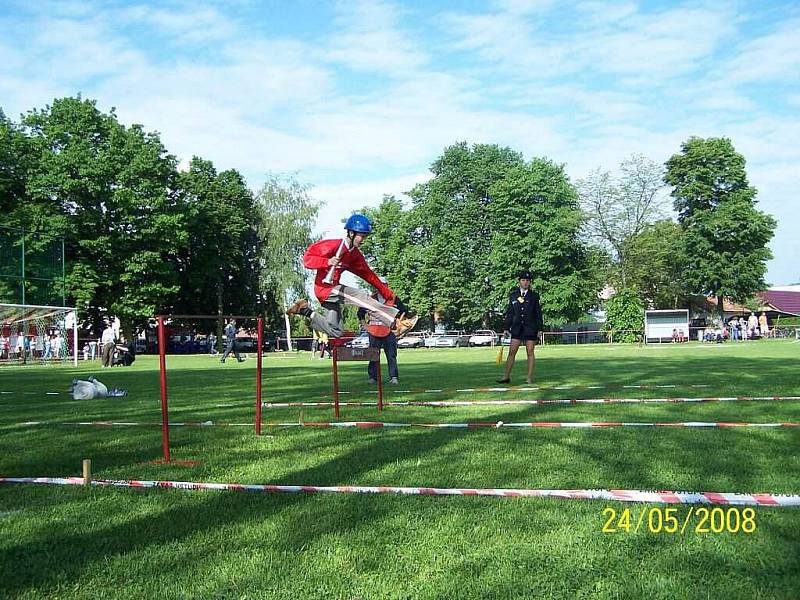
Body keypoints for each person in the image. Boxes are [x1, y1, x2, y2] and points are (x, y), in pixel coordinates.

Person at [286, 214, 417, 340]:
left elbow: (369, 276)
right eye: (362, 236)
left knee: (336, 331)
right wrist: (327, 262)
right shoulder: (333, 246)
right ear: (351, 233)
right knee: (361, 296)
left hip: (332, 293)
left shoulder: (354, 255)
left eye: (365, 236)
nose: (363, 240)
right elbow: (307, 259)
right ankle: (396, 325)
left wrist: (389, 295)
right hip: (325, 289)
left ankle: (304, 310)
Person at [498, 271, 544, 384]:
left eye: (527, 281)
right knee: (512, 352)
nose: (525, 282)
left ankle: (529, 378)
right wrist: (506, 328)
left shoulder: (534, 296)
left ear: (530, 282)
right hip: (517, 328)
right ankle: (506, 377)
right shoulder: (513, 295)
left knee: (530, 352)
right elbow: (510, 313)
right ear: (519, 282)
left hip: (530, 328)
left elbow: (538, 313)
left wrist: (539, 329)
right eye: (523, 280)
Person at [357, 280, 405, 385]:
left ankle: (394, 377)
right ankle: (373, 378)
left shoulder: (394, 298)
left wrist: (399, 323)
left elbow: (403, 310)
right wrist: (364, 324)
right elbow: (360, 313)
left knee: (391, 355)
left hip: (389, 331)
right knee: (373, 355)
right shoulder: (370, 299)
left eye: (384, 285)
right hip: (373, 331)